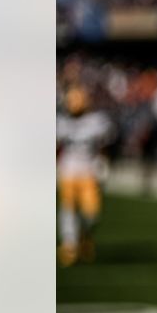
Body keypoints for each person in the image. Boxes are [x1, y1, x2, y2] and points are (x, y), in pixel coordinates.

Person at [57, 85, 113, 266]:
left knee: (92, 214)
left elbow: (105, 144)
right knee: (69, 209)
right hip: (68, 172)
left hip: (88, 171)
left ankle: (84, 237)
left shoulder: (97, 122)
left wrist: (103, 163)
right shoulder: (61, 122)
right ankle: (69, 245)